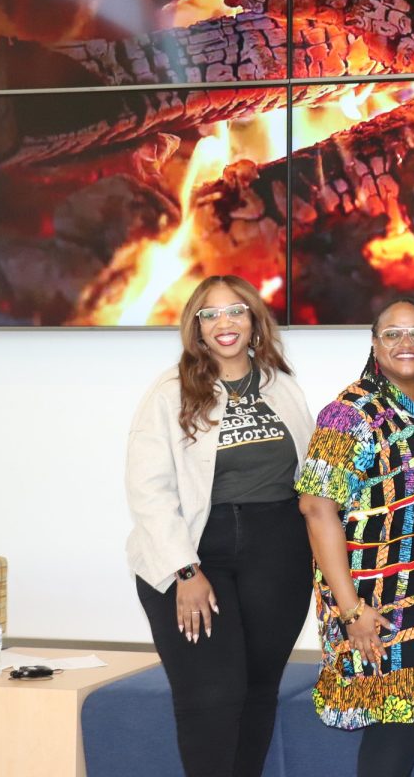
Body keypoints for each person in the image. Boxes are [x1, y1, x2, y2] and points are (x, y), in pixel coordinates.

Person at [126, 275, 314, 777]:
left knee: (257, 689)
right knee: (211, 695)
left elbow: (312, 477)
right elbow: (149, 489)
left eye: (236, 311)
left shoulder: (281, 384)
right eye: (210, 314)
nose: (224, 323)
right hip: (195, 552)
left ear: (254, 320)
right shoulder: (171, 391)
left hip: (279, 552)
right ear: (197, 328)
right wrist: (185, 572)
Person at [296, 298, 414, 777]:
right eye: (392, 333)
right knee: (392, 733)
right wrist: (351, 610)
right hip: (377, 607)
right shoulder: (348, 414)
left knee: (406, 729)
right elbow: (316, 509)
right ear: (374, 345)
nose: (406, 343)